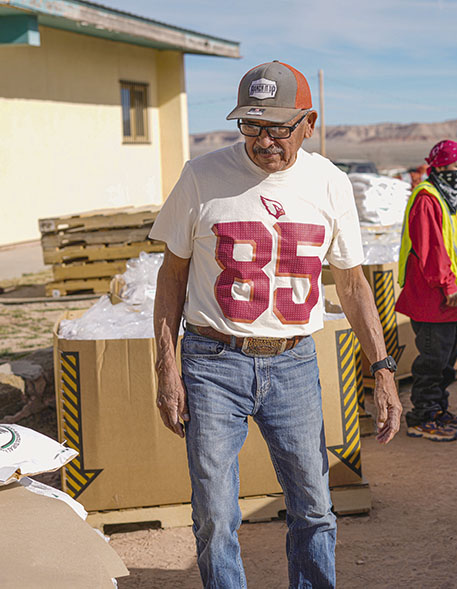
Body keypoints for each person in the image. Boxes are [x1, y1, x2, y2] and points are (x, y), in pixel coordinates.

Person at [148, 60, 403, 588]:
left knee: (313, 505)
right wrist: (165, 369)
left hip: (293, 363)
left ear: (308, 124)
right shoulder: (201, 177)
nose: (264, 141)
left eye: (278, 128)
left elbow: (353, 285)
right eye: (251, 125)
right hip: (212, 362)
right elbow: (171, 278)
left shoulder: (329, 183)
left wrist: (382, 369)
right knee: (215, 514)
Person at [395, 140, 457, 442]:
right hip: (434, 296)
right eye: (456, 167)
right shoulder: (427, 198)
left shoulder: (445, 197)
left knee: (446, 359)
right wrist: (447, 284)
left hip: (450, 299)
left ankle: (438, 409)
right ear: (441, 167)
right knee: (432, 361)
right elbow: (431, 248)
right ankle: (423, 417)